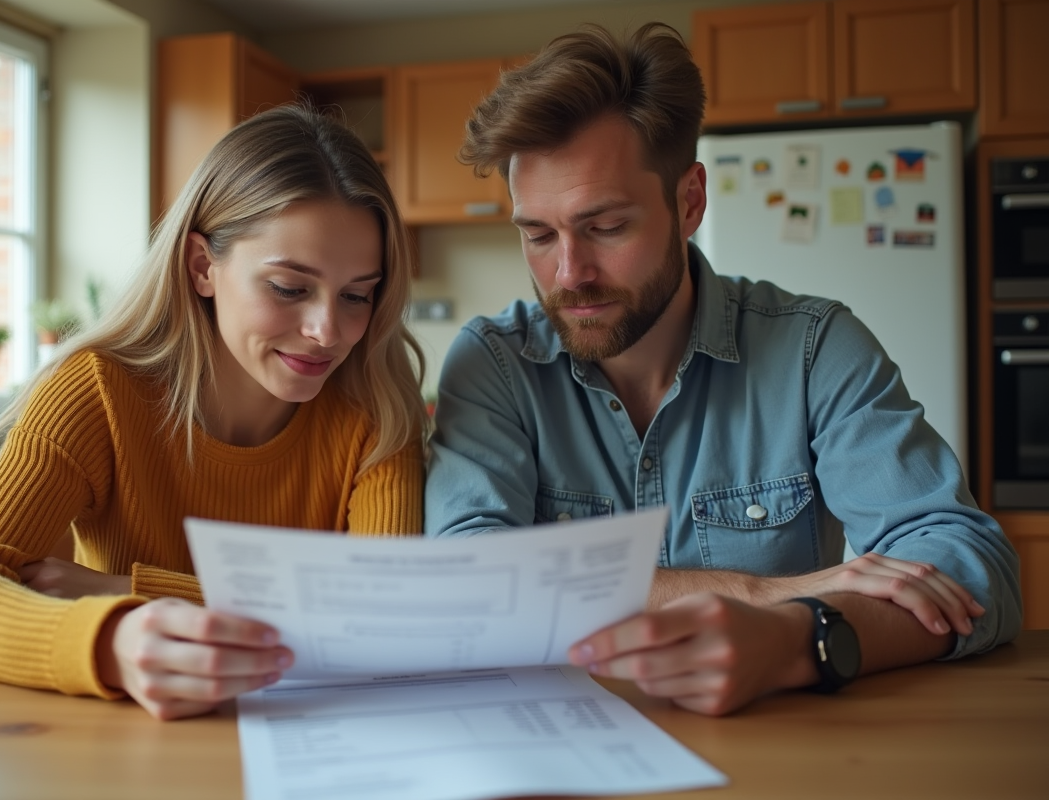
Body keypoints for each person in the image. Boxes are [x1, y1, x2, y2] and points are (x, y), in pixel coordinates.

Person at [424, 23, 1021, 715]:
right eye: (537, 235)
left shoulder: (814, 348)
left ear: (689, 202)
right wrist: (758, 593)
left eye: (606, 227)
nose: (568, 273)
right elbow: (468, 579)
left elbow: (972, 566)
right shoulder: (495, 364)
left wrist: (801, 638)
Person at [0, 104, 428, 721]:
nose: (327, 331)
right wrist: (109, 641)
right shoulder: (96, 392)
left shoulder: (379, 415)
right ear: (203, 267)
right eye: (289, 288)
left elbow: (380, 619)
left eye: (357, 295)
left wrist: (124, 590)